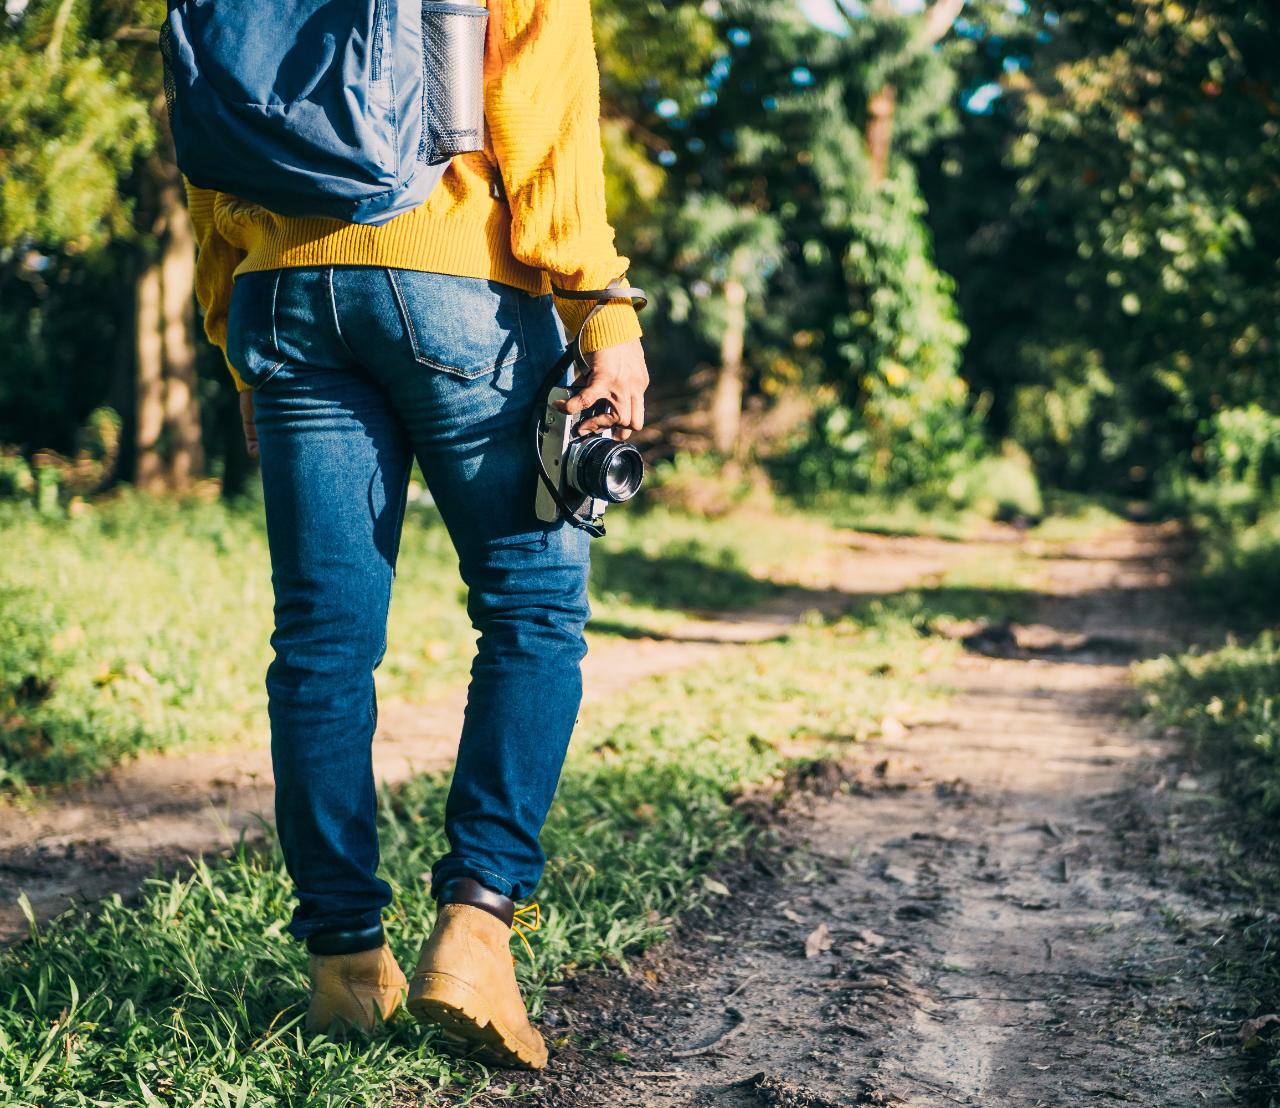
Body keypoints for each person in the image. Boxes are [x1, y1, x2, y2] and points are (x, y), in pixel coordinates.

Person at [185, 0, 648, 1070]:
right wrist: (602, 311)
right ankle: (475, 934)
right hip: (454, 277)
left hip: (280, 291)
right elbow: (540, 113)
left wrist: (233, 323)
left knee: (319, 640)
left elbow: (212, 123)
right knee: (532, 607)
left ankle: (345, 968)